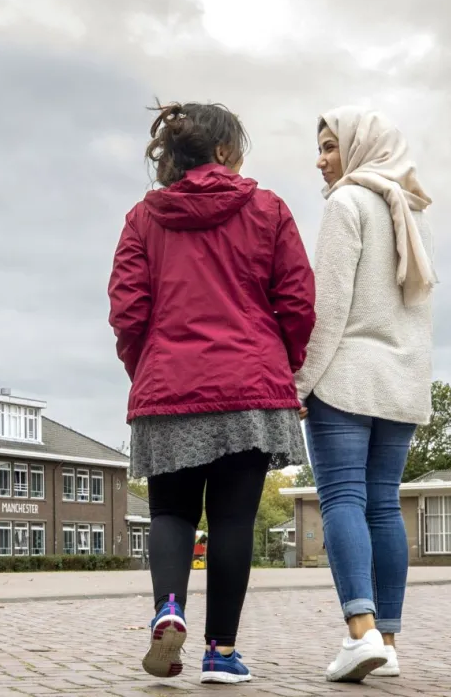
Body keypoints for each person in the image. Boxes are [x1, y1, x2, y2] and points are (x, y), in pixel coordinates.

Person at [109, 101, 315, 685]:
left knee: (172, 511)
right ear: (224, 151)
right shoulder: (268, 209)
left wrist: (146, 370)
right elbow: (298, 302)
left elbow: (127, 312)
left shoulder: (142, 220)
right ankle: (220, 653)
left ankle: (167, 609)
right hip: (250, 388)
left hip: (167, 385)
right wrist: (284, 366)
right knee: (233, 522)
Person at [295, 107, 436, 683]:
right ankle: (389, 640)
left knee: (343, 501)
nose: (322, 159)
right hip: (402, 382)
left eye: (331, 146)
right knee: (383, 505)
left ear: (358, 148)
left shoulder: (346, 204)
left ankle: (361, 633)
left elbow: (325, 309)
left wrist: (298, 381)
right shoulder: (414, 214)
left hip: (346, 379)